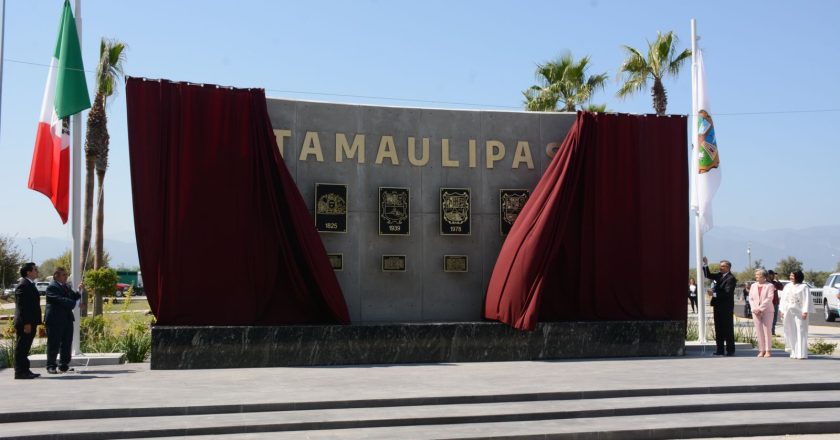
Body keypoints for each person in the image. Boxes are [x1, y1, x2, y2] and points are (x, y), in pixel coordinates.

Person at [44, 267, 82, 374]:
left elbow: (73, 297)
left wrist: (79, 290)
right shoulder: (52, 287)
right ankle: (51, 365)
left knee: (66, 342)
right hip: (54, 320)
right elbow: (61, 300)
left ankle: (64, 365)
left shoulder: (66, 286)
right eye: (64, 275)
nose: (66, 277)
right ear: (56, 276)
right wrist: (77, 304)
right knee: (54, 343)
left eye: (66, 275)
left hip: (67, 319)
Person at [702, 257, 737, 356]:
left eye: (723, 266)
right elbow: (708, 275)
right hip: (717, 306)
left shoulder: (731, 279)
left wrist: (713, 294)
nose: (720, 268)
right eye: (720, 266)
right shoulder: (719, 275)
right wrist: (705, 264)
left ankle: (730, 350)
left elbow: (727, 293)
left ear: (728, 267)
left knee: (727, 328)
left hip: (726, 307)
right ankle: (720, 350)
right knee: (719, 328)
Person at [13, 262, 42, 380]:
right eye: (35, 269)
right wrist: (27, 323)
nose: (37, 271)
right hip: (26, 323)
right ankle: (19, 372)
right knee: (22, 347)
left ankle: (25, 370)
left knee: (26, 347)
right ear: (28, 272)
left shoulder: (30, 284)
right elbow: (22, 306)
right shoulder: (23, 285)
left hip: (31, 322)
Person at [779, 270, 810, 359]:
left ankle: (802, 353)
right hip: (789, 311)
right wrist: (782, 310)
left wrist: (805, 311)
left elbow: (806, 300)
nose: (790, 277)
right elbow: (783, 299)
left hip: (800, 312)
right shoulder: (787, 286)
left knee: (801, 331)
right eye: (790, 275)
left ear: (797, 276)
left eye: (792, 276)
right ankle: (793, 352)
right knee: (790, 330)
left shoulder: (804, 287)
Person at [749, 268, 776, 358]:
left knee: (767, 330)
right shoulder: (753, 286)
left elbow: (769, 298)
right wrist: (755, 309)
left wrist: (760, 309)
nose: (756, 276)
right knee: (759, 331)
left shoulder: (770, 286)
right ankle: (761, 350)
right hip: (755, 312)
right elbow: (751, 298)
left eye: (758, 275)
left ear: (763, 276)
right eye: (756, 275)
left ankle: (768, 350)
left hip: (767, 311)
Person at [767, 270, 783, 335]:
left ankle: (772, 332)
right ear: (768, 275)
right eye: (772, 274)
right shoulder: (766, 283)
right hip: (768, 303)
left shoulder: (775, 282)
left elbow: (781, 288)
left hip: (775, 303)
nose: (774, 276)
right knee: (768, 318)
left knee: (774, 318)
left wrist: (777, 280)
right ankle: (768, 332)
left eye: (774, 275)